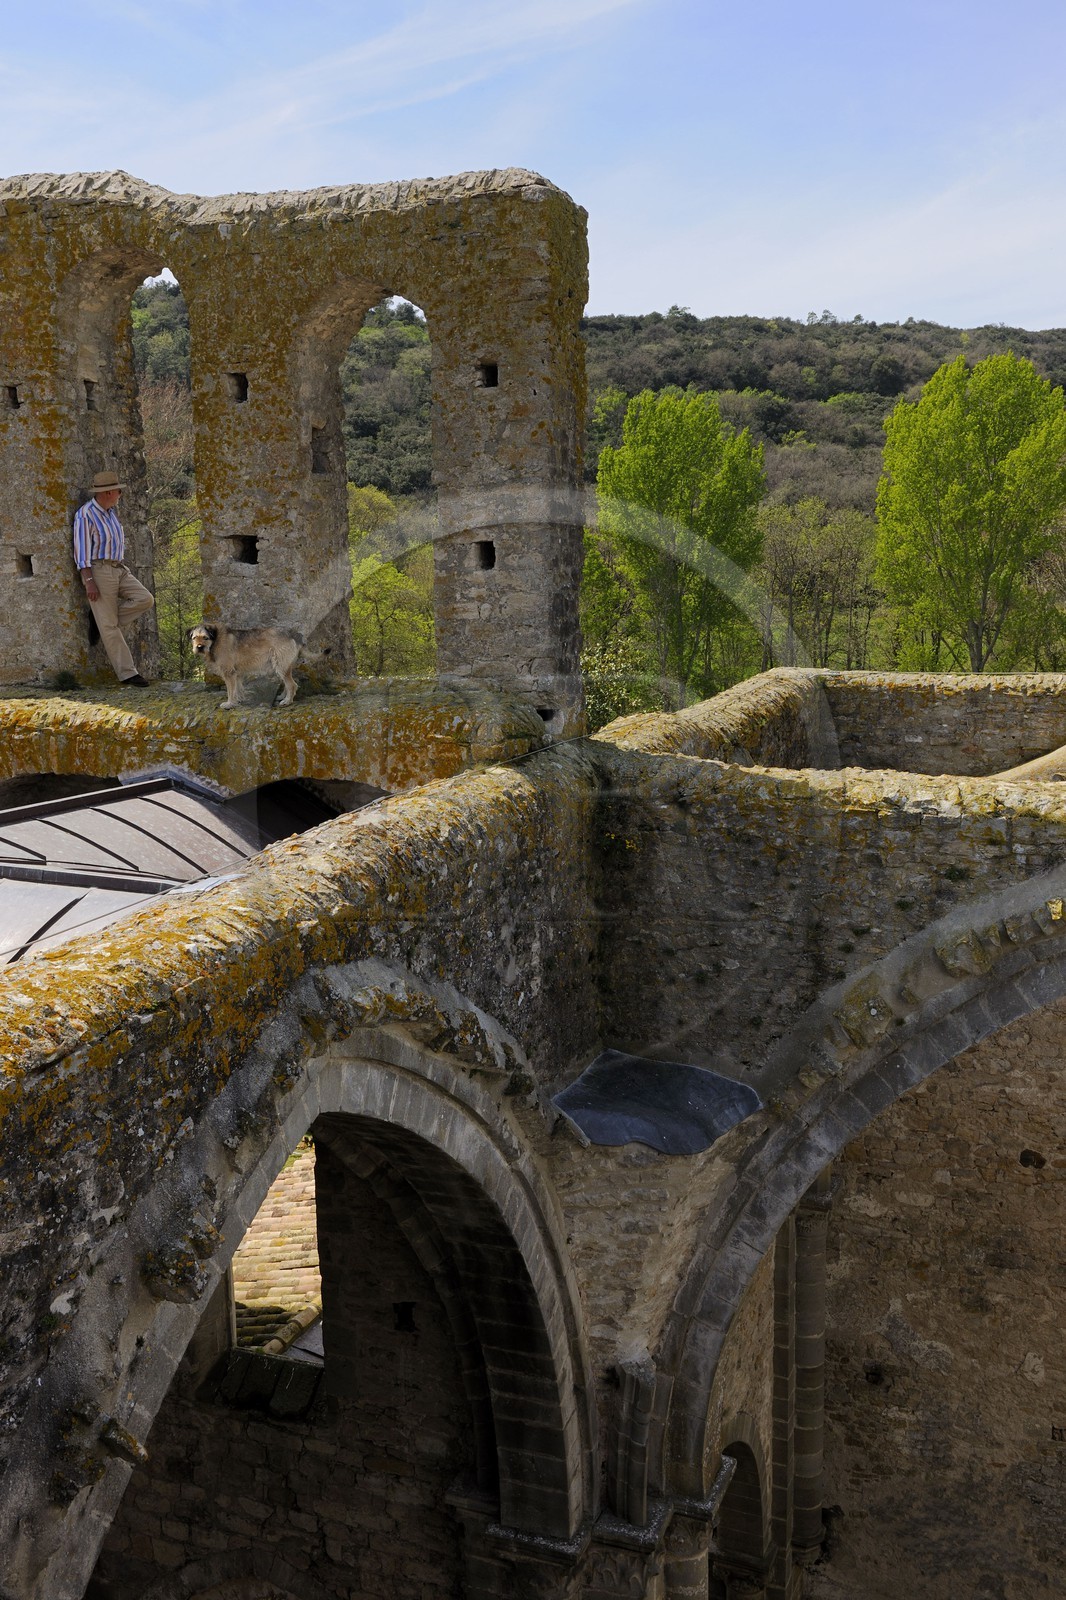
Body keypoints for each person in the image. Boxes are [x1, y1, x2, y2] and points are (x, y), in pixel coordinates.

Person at [73, 470, 155, 686]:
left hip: (119, 568)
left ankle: (99, 620)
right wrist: (89, 581)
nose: (120, 494)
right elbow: (81, 554)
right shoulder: (85, 514)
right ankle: (128, 674)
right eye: (119, 491)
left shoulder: (111, 512)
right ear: (109, 492)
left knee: (145, 599)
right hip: (99, 571)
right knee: (109, 627)